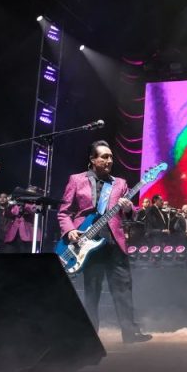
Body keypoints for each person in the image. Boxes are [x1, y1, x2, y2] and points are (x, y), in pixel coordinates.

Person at [57, 140, 151, 344]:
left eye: (111, 157)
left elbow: (131, 213)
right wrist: (70, 230)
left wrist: (128, 208)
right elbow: (64, 212)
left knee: (123, 288)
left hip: (114, 242)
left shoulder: (120, 183)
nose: (109, 160)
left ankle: (130, 333)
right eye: (104, 157)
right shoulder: (76, 180)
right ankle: (90, 336)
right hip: (86, 243)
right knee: (92, 291)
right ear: (92, 159)